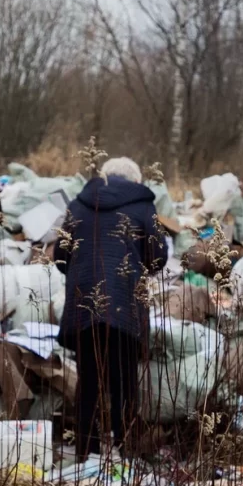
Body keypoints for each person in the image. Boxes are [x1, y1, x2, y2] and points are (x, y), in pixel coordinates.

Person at [55, 157, 167, 460]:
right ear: (135, 180)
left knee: (88, 381)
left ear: (103, 177)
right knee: (124, 382)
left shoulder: (78, 205)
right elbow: (158, 257)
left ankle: (84, 454)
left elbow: (60, 256)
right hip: (124, 308)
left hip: (83, 306)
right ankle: (126, 450)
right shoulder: (143, 206)